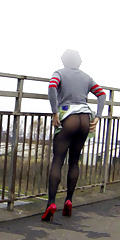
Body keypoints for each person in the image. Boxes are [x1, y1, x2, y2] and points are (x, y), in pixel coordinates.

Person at [42, 49, 106, 222]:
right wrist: (98, 115)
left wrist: (55, 112)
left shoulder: (59, 73)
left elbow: (52, 87)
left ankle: (51, 203)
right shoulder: (87, 77)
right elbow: (101, 94)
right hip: (85, 118)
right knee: (74, 161)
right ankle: (69, 201)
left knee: (58, 161)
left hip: (68, 118)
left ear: (64, 61)